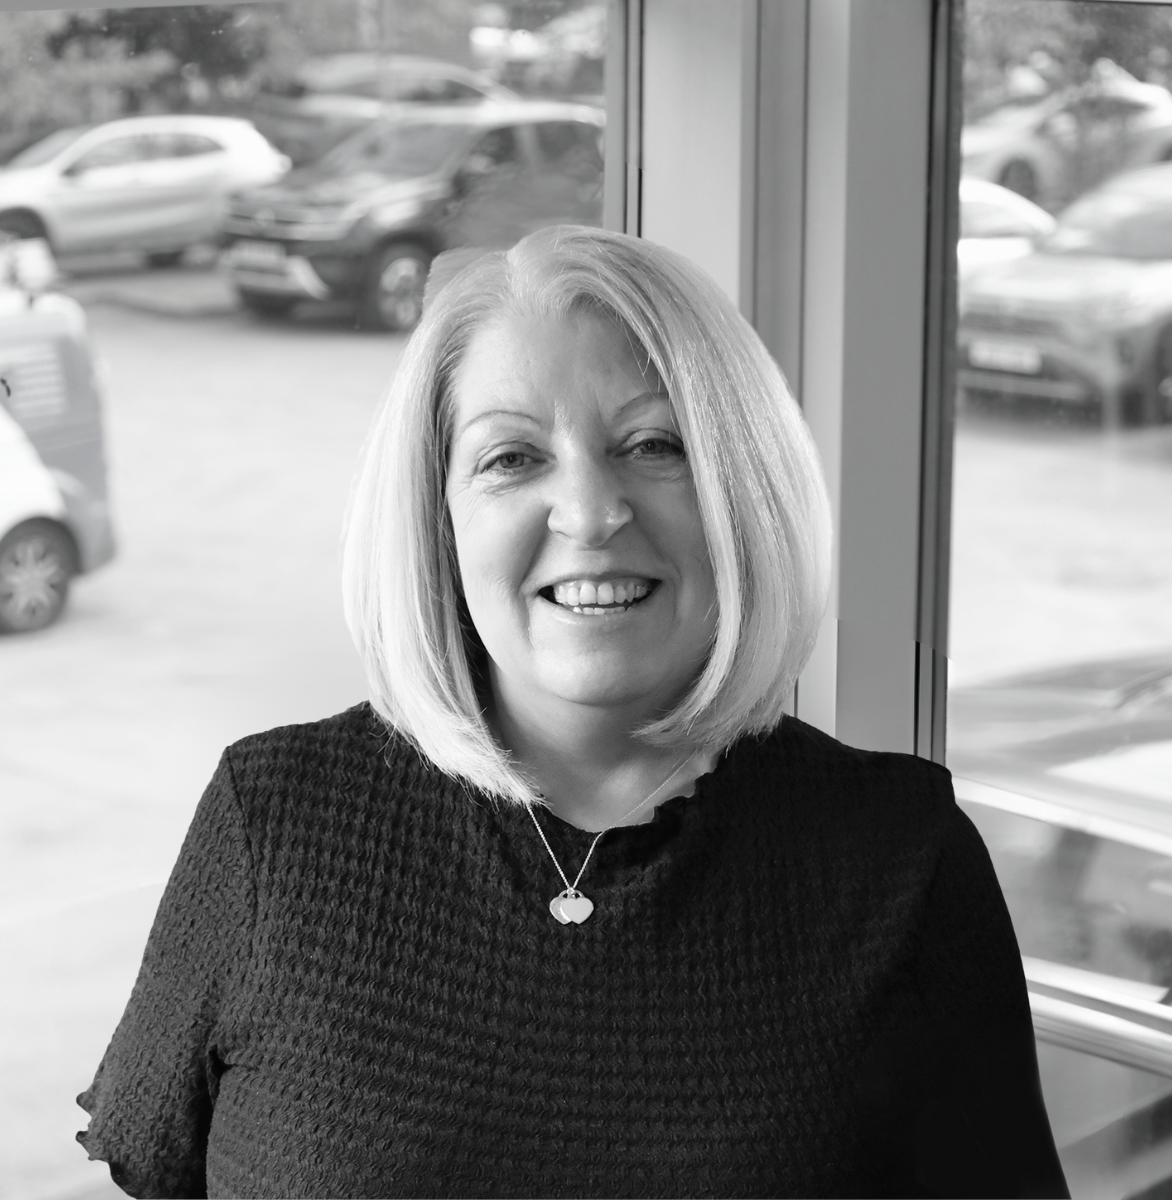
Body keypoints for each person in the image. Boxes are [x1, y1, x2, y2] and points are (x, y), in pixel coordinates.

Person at [76, 225, 1069, 1198]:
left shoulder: (903, 857)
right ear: (437, 514)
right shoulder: (275, 820)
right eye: (512, 458)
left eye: (655, 444)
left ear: (747, 487)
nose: (591, 513)